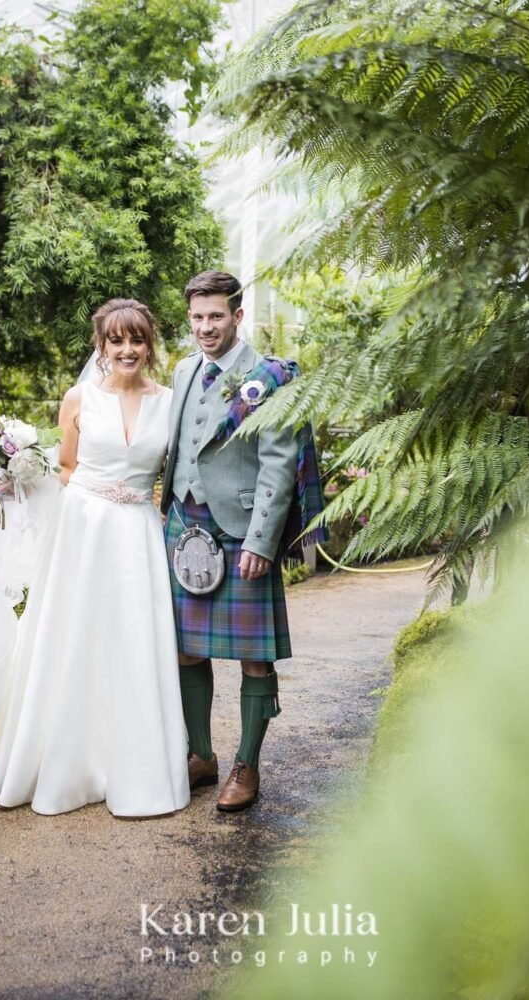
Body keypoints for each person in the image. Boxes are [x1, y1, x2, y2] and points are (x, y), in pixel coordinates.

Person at [0, 298, 189, 817]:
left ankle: (136, 766)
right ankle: (63, 764)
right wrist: (16, 485)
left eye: (137, 340)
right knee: (72, 639)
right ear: (101, 346)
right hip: (82, 530)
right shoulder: (79, 398)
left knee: (132, 642)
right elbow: (64, 471)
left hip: (139, 535)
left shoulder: (172, 401)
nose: (127, 349)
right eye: (116, 340)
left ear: (150, 344)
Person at [162, 270, 302, 812]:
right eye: (197, 317)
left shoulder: (267, 377)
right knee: (184, 650)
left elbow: (278, 464)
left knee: (253, 656)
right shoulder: (181, 373)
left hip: (240, 528)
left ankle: (246, 765)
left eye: (215, 316)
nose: (205, 327)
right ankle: (202, 755)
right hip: (183, 524)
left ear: (237, 316)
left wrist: (262, 542)